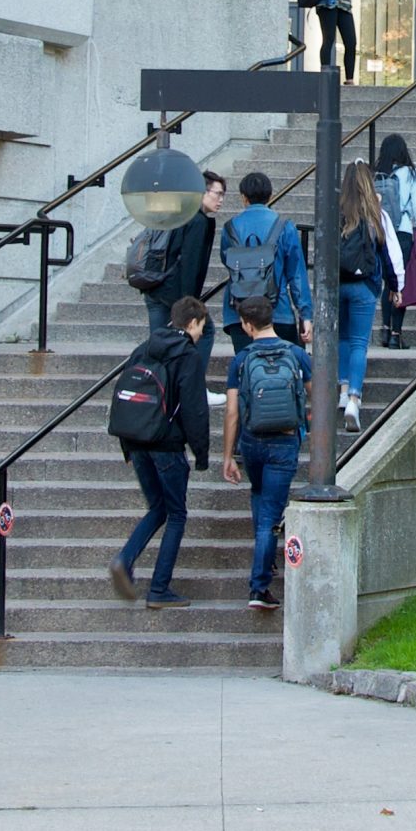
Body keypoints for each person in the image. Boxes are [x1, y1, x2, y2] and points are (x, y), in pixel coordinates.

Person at [106, 294, 213, 609]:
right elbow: (194, 410)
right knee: (177, 513)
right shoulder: (187, 355)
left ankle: (124, 559)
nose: (200, 335)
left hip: (136, 440)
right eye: (201, 328)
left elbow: (123, 394)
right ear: (191, 322)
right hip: (166, 445)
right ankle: (159, 588)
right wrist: (202, 454)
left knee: (157, 508)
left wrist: (127, 445)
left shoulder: (144, 348)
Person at [220, 295, 311, 613]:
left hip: (252, 440)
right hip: (285, 441)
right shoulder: (297, 354)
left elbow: (232, 411)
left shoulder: (241, 360)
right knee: (271, 513)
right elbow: (316, 394)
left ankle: (265, 561)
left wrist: (228, 455)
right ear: (271, 318)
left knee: (259, 496)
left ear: (246, 324)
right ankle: (259, 585)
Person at [335, 161, 401, 435]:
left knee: (342, 338)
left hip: (338, 283)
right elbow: (387, 255)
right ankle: (354, 398)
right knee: (360, 343)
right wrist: (395, 287)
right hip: (366, 285)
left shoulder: (336, 212)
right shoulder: (375, 215)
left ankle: (341, 389)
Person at [217, 171, 310, 356]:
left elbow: (226, 260)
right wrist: (305, 314)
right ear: (270, 196)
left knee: (247, 367)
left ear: (244, 198)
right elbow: (296, 274)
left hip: (239, 312)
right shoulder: (284, 227)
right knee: (284, 369)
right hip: (278, 310)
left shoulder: (230, 228)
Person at [141, 171, 224, 338]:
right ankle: (189, 365)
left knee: (160, 342)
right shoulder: (198, 221)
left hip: (155, 285)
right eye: (218, 194)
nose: (221, 200)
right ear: (201, 192)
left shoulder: (179, 212)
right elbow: (190, 263)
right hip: (174, 294)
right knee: (205, 331)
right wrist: (189, 303)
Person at [376, 133, 416, 349]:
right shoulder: (412, 174)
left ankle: (385, 330)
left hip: (380, 231)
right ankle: (396, 334)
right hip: (402, 231)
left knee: (388, 283)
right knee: (400, 282)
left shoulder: (375, 174)